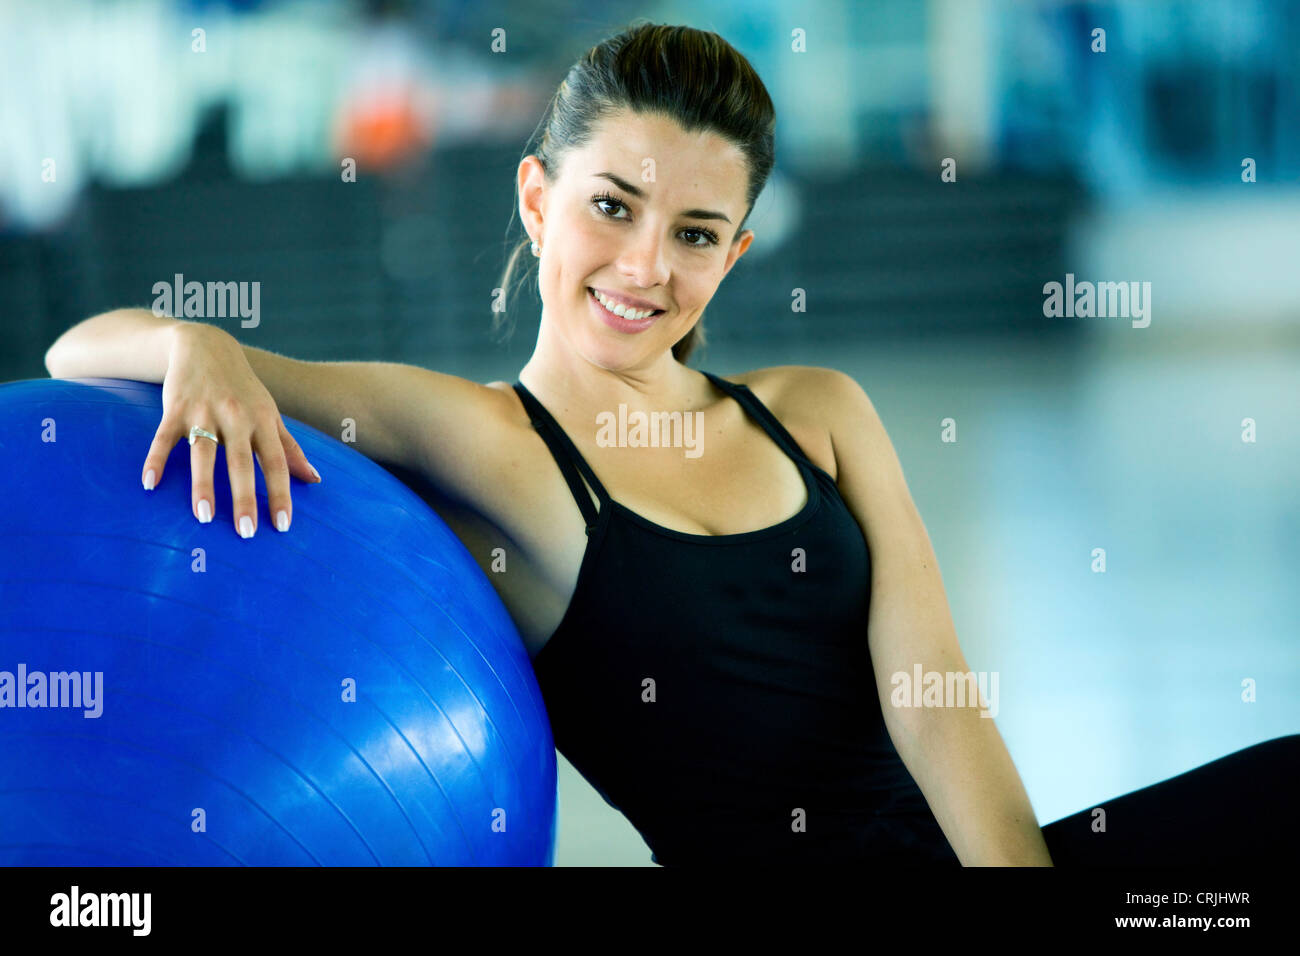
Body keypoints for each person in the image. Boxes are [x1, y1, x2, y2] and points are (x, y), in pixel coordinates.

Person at [45, 22, 1291, 867]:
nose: (646, 266)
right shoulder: (485, 439)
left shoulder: (816, 410)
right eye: (611, 207)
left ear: (737, 251)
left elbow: (935, 704)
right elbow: (74, 353)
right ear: (537, 201)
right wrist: (195, 346)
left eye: (697, 232)